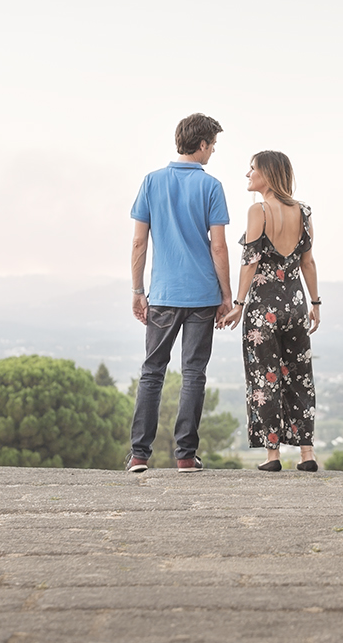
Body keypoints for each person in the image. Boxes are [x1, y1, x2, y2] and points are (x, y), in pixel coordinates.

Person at [126, 114, 233, 473]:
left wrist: (138, 290)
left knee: (152, 372)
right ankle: (185, 455)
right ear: (201, 144)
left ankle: (139, 455)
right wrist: (226, 296)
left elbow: (139, 241)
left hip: (164, 293)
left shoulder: (151, 182)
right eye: (213, 145)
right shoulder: (211, 186)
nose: (213, 151)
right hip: (202, 295)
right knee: (193, 374)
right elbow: (218, 248)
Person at [219, 151, 320, 472]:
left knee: (265, 378)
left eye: (253, 169)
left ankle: (272, 456)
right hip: (296, 304)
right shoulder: (303, 211)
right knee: (301, 378)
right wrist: (315, 303)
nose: (248, 174)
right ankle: (307, 455)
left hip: (264, 309)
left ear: (268, 174)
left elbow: (250, 261)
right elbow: (308, 262)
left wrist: (238, 303)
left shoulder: (258, 211)